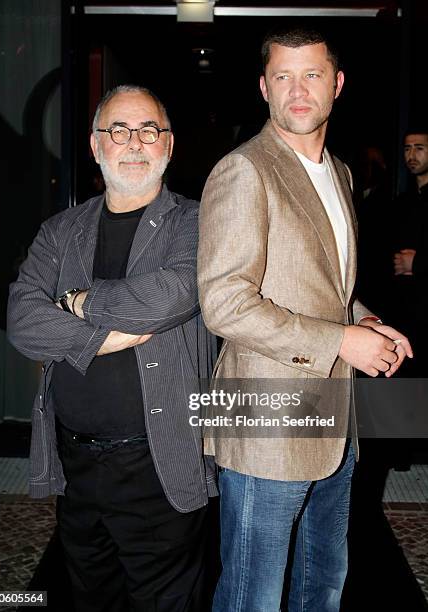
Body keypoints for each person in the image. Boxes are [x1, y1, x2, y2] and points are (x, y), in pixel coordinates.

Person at [198, 27, 412, 612]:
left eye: (312, 74)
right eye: (283, 76)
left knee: (324, 583)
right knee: (253, 593)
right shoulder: (243, 170)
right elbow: (225, 303)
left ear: (336, 85)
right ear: (263, 87)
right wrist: (341, 339)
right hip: (263, 420)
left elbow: (327, 289)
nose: (299, 89)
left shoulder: (339, 173)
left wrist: (363, 323)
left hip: (335, 417)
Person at [7, 84, 217, 612]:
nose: (134, 142)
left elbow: (173, 294)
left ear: (169, 146)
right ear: (96, 146)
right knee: (90, 595)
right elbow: (22, 321)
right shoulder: (59, 231)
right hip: (75, 461)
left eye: (149, 130)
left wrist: (77, 301)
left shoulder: (196, 220)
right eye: (118, 130)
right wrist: (104, 338)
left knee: (165, 601)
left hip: (159, 461)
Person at [392, 129, 428, 376]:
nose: (411, 154)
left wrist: (417, 263)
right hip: (406, 310)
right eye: (407, 148)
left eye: (419, 148)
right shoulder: (401, 203)